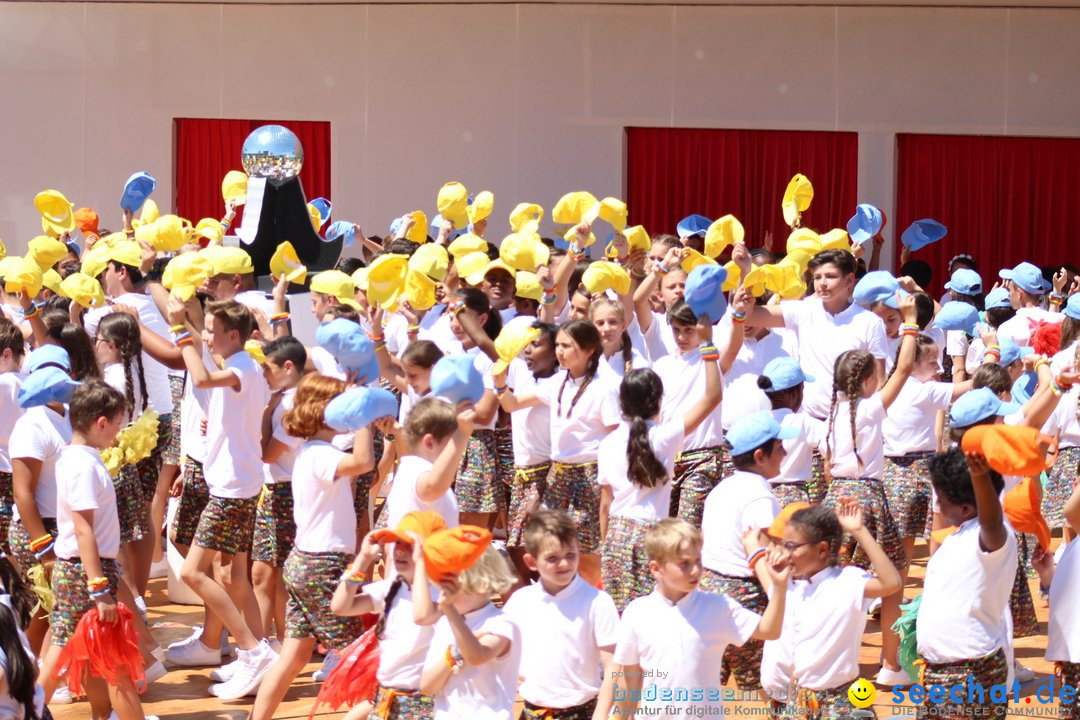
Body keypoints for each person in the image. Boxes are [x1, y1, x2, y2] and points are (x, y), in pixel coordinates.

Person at [248, 374, 377, 720]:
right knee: (361, 656)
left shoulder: (312, 452)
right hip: (324, 566)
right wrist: (362, 415)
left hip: (304, 564)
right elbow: (365, 462)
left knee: (294, 656)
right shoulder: (321, 456)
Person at [166, 297, 277, 698]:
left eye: (212, 330)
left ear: (234, 335)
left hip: (232, 489)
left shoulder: (243, 366)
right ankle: (258, 653)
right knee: (233, 578)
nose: (206, 336)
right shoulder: (243, 366)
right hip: (235, 483)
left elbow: (201, 378)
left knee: (193, 572)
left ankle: (250, 649)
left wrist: (180, 330)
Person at [38, 381, 151, 719]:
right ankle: (17, 710)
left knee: (92, 655)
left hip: (82, 571)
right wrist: (99, 588)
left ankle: (99, 714)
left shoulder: (77, 458)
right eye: (118, 424)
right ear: (101, 423)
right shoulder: (84, 465)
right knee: (108, 660)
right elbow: (83, 529)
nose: (119, 432)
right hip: (85, 573)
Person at [823, 292, 919, 685]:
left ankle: (832, 661)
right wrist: (910, 320)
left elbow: (828, 467)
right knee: (892, 580)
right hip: (868, 497)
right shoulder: (870, 407)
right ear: (866, 380)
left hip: (834, 498)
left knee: (831, 581)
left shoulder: (830, 414)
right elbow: (905, 367)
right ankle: (890, 666)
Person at [611, 519, 788, 718]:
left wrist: (780, 587)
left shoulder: (717, 606)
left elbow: (770, 630)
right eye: (684, 564)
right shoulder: (637, 613)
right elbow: (630, 682)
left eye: (698, 561)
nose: (695, 570)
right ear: (656, 569)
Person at [493, 319, 618, 585]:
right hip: (558, 474)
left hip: (591, 474)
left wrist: (609, 482)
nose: (559, 352)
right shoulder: (557, 382)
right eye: (558, 345)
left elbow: (616, 437)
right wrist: (500, 384)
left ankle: (592, 604)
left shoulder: (603, 387)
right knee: (551, 541)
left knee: (587, 550)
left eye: (566, 346)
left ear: (588, 350)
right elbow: (512, 404)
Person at [598, 353, 719, 610]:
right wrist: (708, 347)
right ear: (659, 401)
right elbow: (712, 397)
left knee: (621, 618)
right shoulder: (665, 436)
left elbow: (605, 505)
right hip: (651, 535)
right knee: (654, 614)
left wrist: (606, 546)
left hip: (616, 535)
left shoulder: (607, 444)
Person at [762, 501, 902, 719]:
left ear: (822, 549)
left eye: (792, 546)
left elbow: (892, 582)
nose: (786, 553)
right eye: (784, 545)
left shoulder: (849, 581)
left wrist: (859, 531)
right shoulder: (792, 586)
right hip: (802, 700)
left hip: (843, 701)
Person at [916, 448, 1016, 720]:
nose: (937, 505)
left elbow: (991, 520)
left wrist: (979, 476)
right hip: (940, 674)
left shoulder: (993, 538)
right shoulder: (956, 538)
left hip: (970, 674)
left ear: (966, 508)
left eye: (942, 499)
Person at [699, 411, 791, 695]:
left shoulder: (722, 488)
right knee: (769, 687)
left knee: (705, 682)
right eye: (779, 448)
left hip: (709, 590)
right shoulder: (760, 498)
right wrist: (780, 601)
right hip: (746, 597)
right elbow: (762, 557)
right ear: (760, 456)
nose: (785, 452)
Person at [504, 510, 619, 720]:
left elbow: (613, 666)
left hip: (583, 712)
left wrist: (601, 714)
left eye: (570, 555)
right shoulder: (520, 602)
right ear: (531, 562)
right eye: (552, 558)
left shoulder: (597, 602)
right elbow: (501, 661)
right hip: (532, 711)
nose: (564, 564)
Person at [330, 512, 445, 720]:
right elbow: (340, 606)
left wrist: (421, 565)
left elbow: (422, 616)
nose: (399, 551)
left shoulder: (444, 595)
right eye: (397, 544)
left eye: (409, 546)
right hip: (386, 699)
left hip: (425, 704)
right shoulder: (392, 589)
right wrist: (362, 559)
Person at [419, 544, 522, 720]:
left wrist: (449, 609)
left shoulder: (501, 623)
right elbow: (427, 686)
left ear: (483, 583)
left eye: (456, 586)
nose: (446, 593)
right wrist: (454, 653)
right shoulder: (445, 623)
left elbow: (476, 656)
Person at [252, 336, 307, 649]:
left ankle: (287, 645)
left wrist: (265, 411)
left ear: (288, 367)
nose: (263, 374)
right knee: (262, 573)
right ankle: (261, 648)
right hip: (275, 491)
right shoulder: (282, 399)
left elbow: (268, 453)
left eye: (268, 368)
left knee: (279, 574)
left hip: (287, 493)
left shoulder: (291, 402)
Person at [381, 398, 472, 532]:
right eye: (451, 443)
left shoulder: (411, 465)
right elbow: (431, 487)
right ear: (429, 443)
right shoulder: (418, 469)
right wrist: (463, 434)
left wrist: (399, 431)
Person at [1032, 479, 1080, 720]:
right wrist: (1048, 577)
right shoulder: (1074, 546)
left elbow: (1070, 511)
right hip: (1072, 664)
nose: (1074, 482)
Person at [757, 357, 825, 507]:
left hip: (762, 495)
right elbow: (831, 447)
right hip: (794, 498)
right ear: (795, 393)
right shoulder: (804, 422)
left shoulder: (756, 423)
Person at [0, 318, 25, 556]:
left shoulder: (5, 382)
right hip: (22, 472)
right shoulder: (27, 382)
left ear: (6, 354)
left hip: (4, 475)